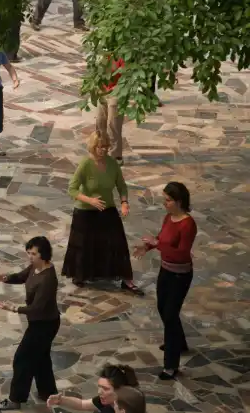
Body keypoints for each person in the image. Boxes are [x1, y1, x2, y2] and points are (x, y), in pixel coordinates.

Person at [62, 130, 143, 295]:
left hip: (107, 208)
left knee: (118, 243)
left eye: (105, 146)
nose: (103, 150)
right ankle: (81, 274)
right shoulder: (85, 164)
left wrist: (124, 202)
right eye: (100, 147)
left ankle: (126, 280)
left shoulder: (112, 164)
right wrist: (89, 200)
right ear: (93, 147)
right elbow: (72, 189)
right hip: (86, 211)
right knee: (85, 246)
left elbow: (121, 185)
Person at [133, 182, 197, 380]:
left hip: (180, 275)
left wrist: (157, 244)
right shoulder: (168, 217)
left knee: (170, 315)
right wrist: (148, 247)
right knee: (163, 308)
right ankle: (180, 343)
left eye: (167, 200)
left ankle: (171, 366)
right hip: (166, 271)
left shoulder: (188, 224)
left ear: (178, 202)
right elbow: (161, 239)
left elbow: (181, 253)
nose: (164, 203)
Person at [0, 236, 60, 411]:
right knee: (41, 358)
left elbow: (37, 308)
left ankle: (16, 399)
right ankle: (48, 392)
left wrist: (13, 308)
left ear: (43, 255)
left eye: (33, 254)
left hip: (44, 325)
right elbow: (22, 276)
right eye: (28, 253)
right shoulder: (36, 268)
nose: (30, 257)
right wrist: (5, 278)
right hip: (41, 323)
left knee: (22, 359)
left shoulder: (47, 279)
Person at [46, 364, 140, 412]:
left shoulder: (130, 409)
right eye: (99, 387)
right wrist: (61, 400)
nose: (99, 392)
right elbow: (82, 404)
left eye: (106, 389)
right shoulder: (106, 401)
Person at [96, 56, 126, 165]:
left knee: (113, 125)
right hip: (104, 90)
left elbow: (127, 77)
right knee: (100, 122)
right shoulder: (104, 53)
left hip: (117, 92)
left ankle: (115, 156)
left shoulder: (123, 55)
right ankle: (100, 150)